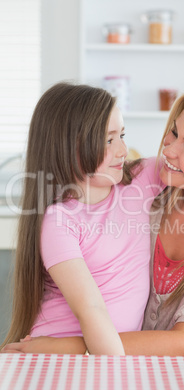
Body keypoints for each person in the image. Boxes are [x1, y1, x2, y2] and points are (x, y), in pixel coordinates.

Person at [2, 84, 184, 357]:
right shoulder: (151, 191)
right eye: (174, 132)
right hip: (126, 367)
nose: (169, 150)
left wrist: (70, 348)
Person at [0, 82, 163, 355]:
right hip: (63, 356)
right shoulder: (60, 220)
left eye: (122, 134)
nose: (123, 149)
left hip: (101, 350)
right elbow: (92, 310)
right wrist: (119, 371)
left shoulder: (141, 179)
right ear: (68, 147)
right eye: (109, 140)